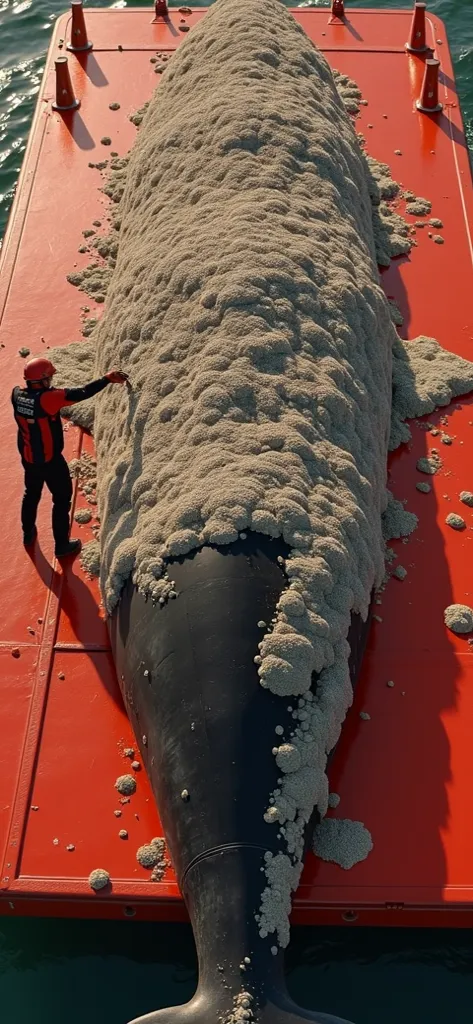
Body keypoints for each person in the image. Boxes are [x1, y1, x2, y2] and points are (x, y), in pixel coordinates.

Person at [12, 356, 128, 558]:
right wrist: (107, 379)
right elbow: (82, 392)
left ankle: (27, 533)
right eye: (49, 378)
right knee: (62, 500)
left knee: (31, 494)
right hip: (51, 462)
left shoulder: (16, 395)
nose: (51, 382)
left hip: (29, 458)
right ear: (42, 380)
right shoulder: (48, 398)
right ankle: (62, 546)